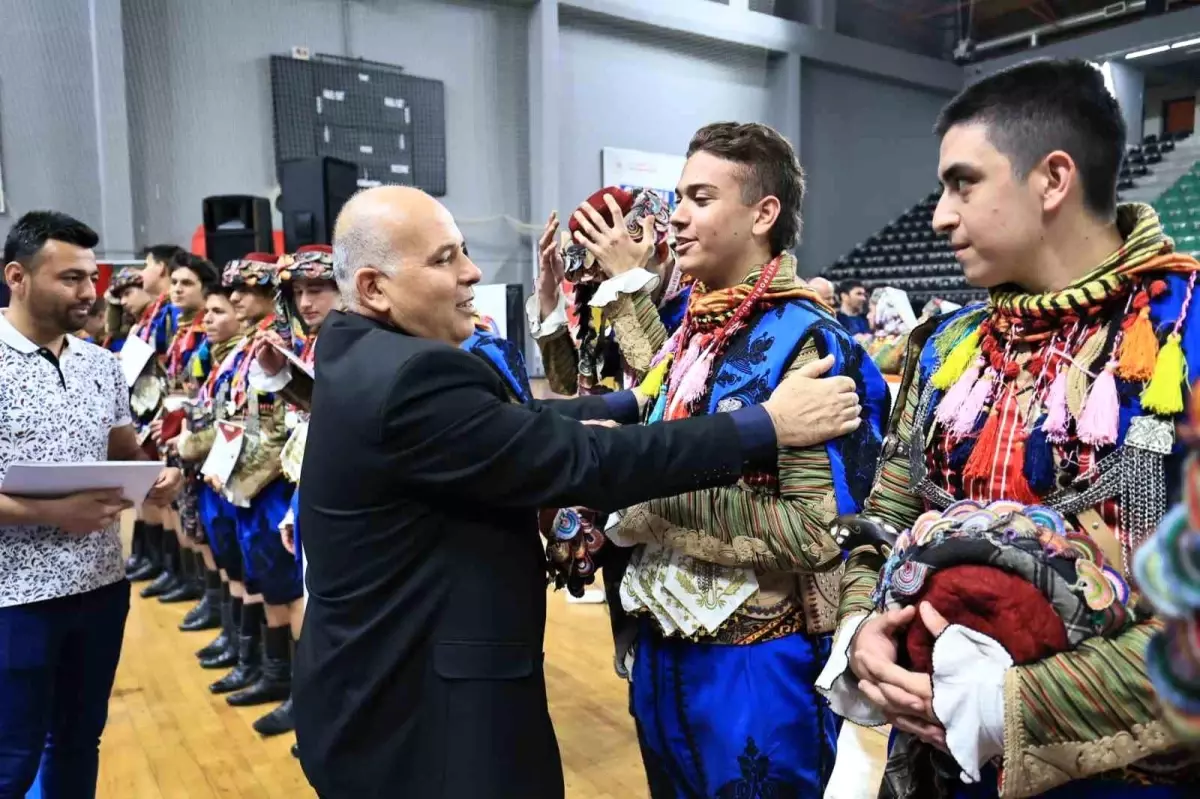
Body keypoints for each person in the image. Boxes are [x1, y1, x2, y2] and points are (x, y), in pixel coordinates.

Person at [292, 184, 863, 799]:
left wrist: (639, 403)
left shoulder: (359, 349)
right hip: (422, 715)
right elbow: (574, 454)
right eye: (444, 259)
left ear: (763, 212)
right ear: (374, 288)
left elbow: (814, 520)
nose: (473, 272)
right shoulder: (410, 375)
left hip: (751, 643)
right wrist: (767, 425)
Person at [816, 58, 1200, 798]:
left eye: (963, 182)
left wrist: (1004, 706)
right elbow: (886, 521)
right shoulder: (946, 346)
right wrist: (863, 627)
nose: (939, 215)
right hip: (935, 768)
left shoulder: (1188, 333)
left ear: (1053, 180)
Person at [606, 122, 890, 796]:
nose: (675, 215)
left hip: (754, 660)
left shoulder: (809, 339)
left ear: (763, 213)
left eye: (700, 197)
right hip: (663, 644)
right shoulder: (694, 329)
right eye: (679, 196)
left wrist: (648, 504)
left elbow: (819, 530)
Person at [0, 211, 182, 798]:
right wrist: (53, 513)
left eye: (91, 277)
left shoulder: (101, 365)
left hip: (100, 587)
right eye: (71, 278)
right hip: (15, 598)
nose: (90, 291)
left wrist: (153, 478)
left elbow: (121, 450)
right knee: (12, 754)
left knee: (78, 741)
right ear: (17, 277)